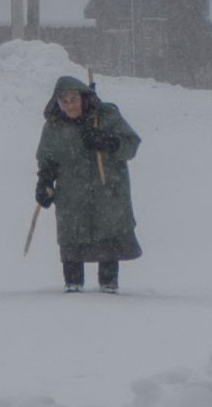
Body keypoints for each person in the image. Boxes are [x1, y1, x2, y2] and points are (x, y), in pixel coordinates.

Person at [34, 74, 142, 292]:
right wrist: (45, 181)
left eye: (73, 100)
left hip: (108, 190)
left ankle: (108, 284)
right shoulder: (54, 127)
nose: (69, 106)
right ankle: (73, 286)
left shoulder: (106, 116)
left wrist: (107, 141)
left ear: (83, 97)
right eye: (64, 102)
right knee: (72, 236)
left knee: (108, 234)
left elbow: (131, 145)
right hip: (72, 195)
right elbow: (46, 159)